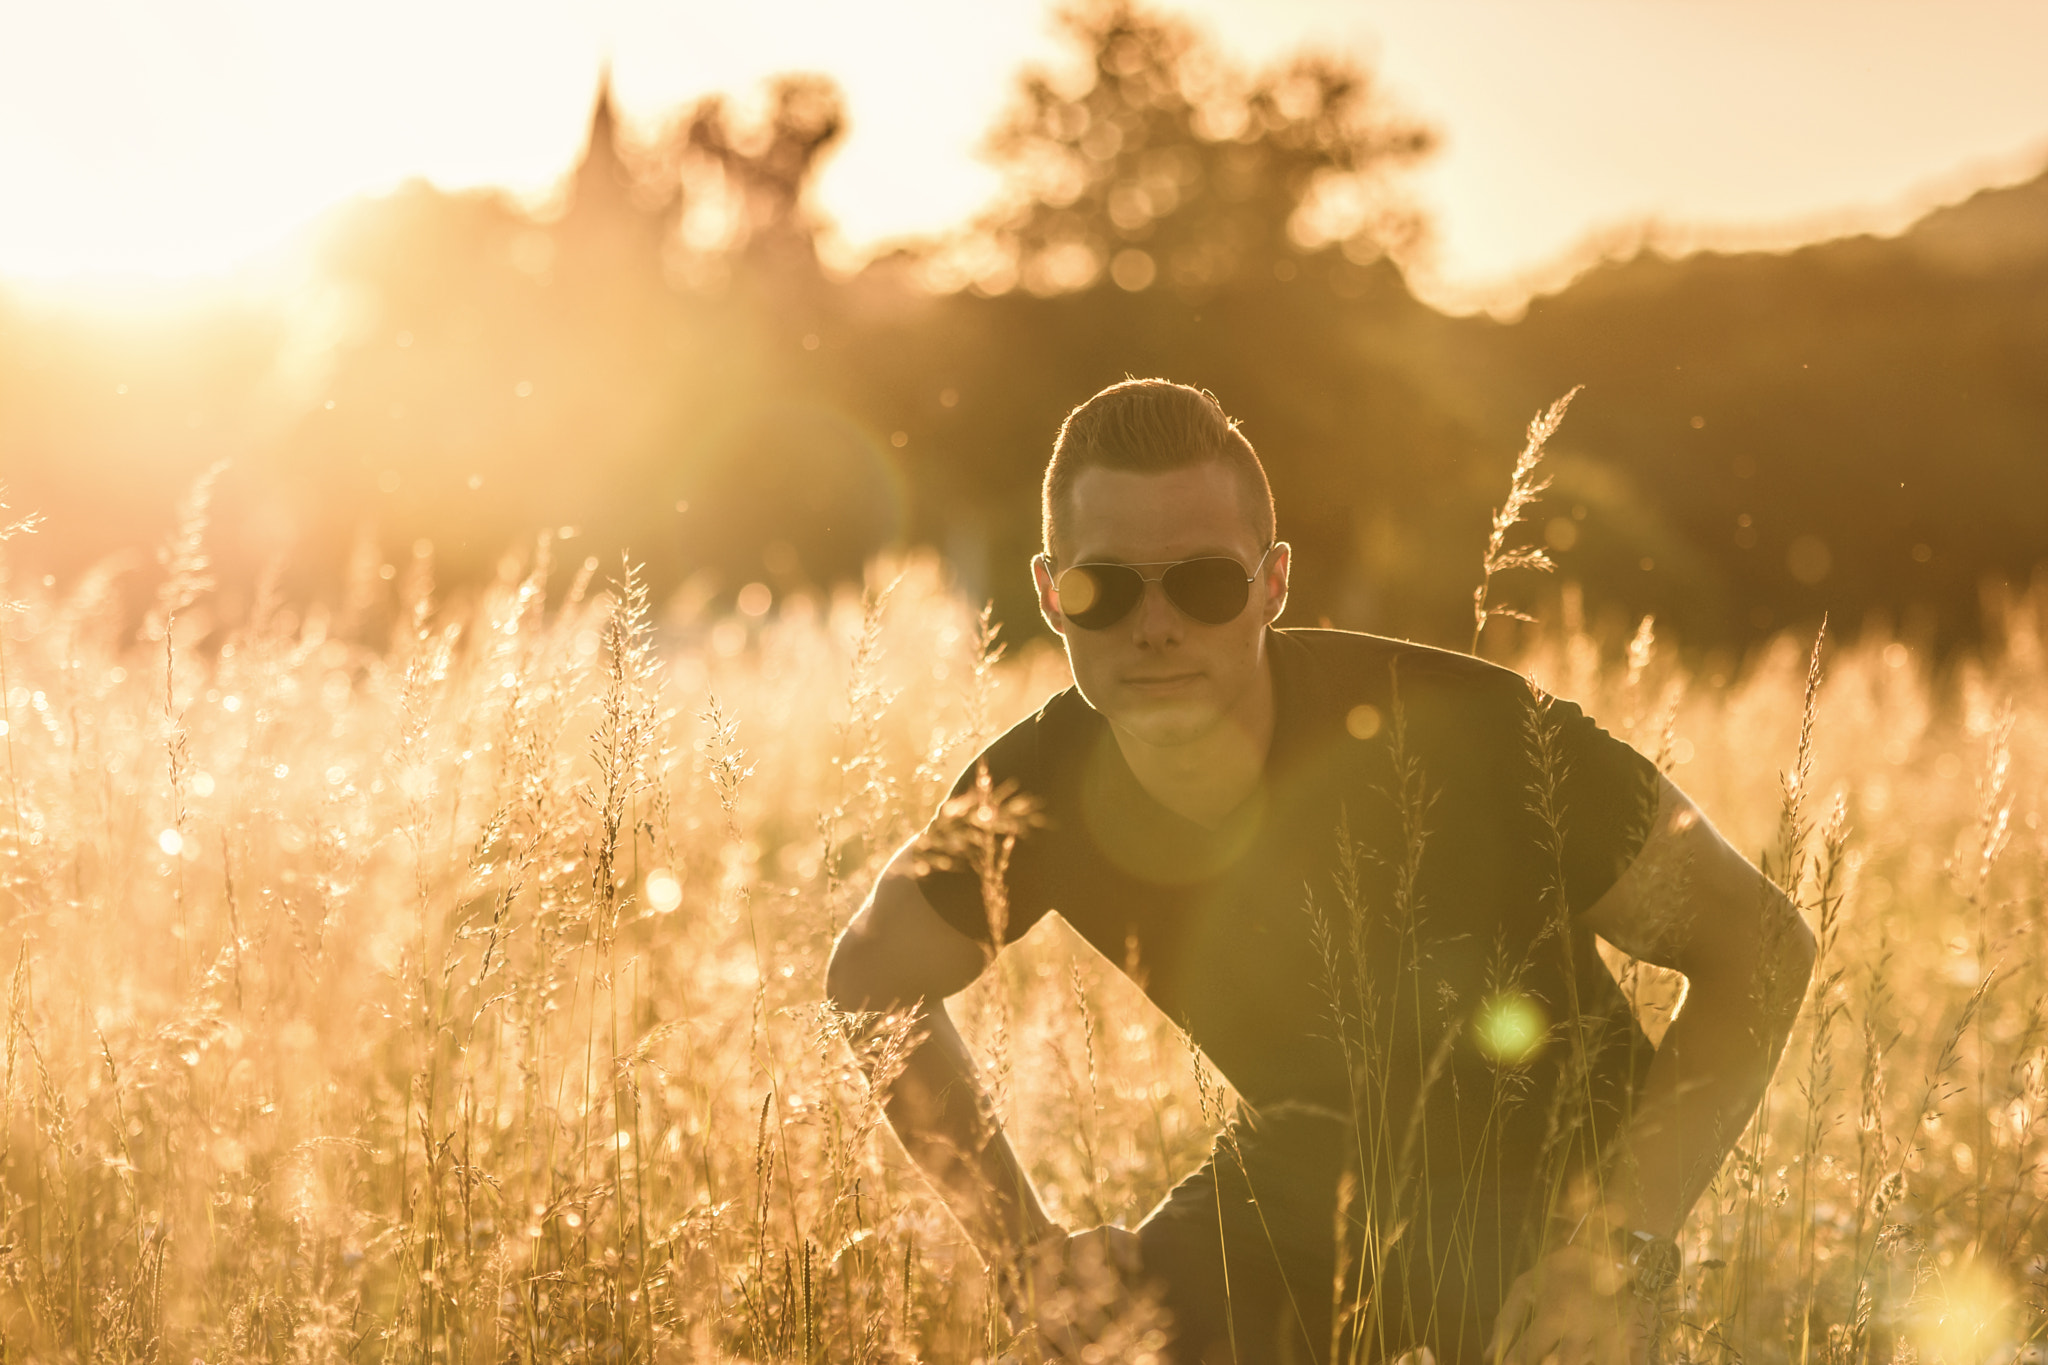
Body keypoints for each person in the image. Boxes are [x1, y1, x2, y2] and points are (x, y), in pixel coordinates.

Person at [825, 378, 1815, 1365]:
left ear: (1272, 584)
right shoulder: (1033, 787)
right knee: (1101, 1347)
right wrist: (1023, 1259)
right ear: (1050, 595)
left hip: (1561, 1200)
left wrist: (1618, 1252)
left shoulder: (1467, 728)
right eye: (1105, 588)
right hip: (1300, 1185)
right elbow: (871, 974)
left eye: (1204, 583)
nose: (1155, 623)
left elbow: (1758, 944)